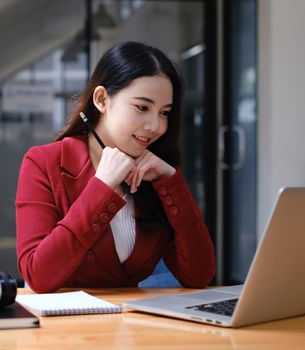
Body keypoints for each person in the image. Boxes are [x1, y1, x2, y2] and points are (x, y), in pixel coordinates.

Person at [16, 41, 216, 293]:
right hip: (62, 328)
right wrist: (102, 187)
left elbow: (198, 276)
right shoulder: (44, 163)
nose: (155, 126)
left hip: (129, 325)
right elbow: (38, 275)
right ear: (101, 99)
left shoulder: (154, 174)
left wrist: (171, 181)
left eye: (164, 112)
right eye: (142, 107)